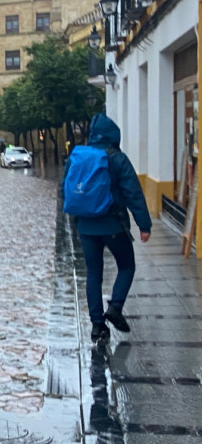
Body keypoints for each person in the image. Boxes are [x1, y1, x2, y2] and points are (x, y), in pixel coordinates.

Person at [68, 113, 152, 342]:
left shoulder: (79, 156)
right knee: (127, 265)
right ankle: (115, 307)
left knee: (93, 274)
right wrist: (144, 225)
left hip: (85, 226)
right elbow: (133, 193)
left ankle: (97, 325)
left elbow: (70, 187)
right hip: (113, 224)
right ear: (114, 135)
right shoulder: (117, 159)